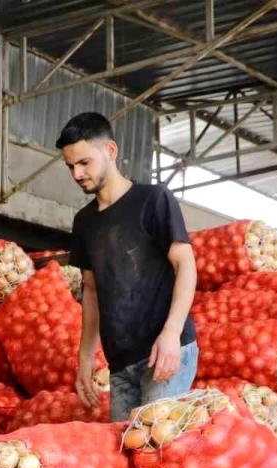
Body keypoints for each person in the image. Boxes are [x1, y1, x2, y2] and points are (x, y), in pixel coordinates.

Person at [57, 112, 200, 422]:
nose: (77, 174)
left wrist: (172, 333)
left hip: (165, 351)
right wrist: (85, 359)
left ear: (110, 151)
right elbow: (92, 290)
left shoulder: (154, 200)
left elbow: (186, 265)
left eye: (84, 162)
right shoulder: (84, 223)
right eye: (70, 166)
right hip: (120, 364)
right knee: (126, 456)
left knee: (152, 449)